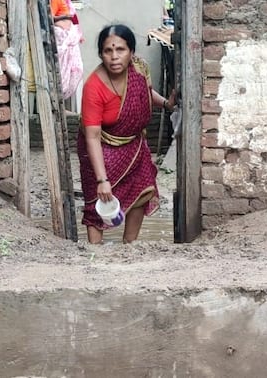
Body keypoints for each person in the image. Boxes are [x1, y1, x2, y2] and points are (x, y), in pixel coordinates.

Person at [78, 24, 176, 244]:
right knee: (98, 200)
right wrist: (102, 180)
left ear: (131, 52)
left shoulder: (139, 69)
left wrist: (167, 104)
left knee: (143, 191)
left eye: (120, 50)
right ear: (101, 54)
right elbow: (92, 136)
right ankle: (96, 251)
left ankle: (129, 246)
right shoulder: (94, 87)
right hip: (101, 146)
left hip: (133, 144)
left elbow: (147, 93)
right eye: (108, 51)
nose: (114, 57)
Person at [49, 0, 83, 100]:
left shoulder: (65, 2)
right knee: (65, 71)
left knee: (76, 70)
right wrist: (66, 17)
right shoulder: (56, 1)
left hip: (68, 36)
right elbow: (50, 17)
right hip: (61, 35)